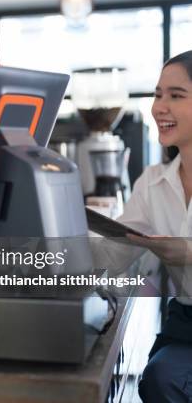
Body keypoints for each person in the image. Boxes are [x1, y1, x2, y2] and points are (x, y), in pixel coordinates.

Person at [108, 50, 192, 402]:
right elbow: (118, 250)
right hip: (185, 324)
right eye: (158, 95)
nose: (160, 107)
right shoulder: (153, 182)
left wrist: (187, 251)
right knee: (159, 378)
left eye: (176, 96)